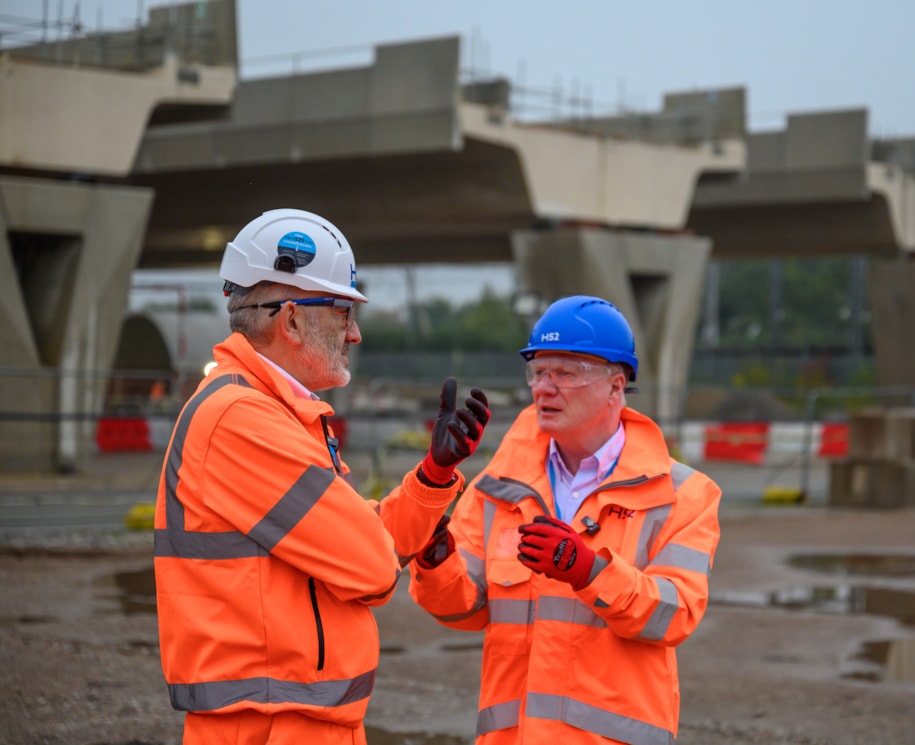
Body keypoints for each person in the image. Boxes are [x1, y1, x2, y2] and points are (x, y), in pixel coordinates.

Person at [153, 208, 491, 745]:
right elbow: (374, 567)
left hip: (290, 717)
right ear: (290, 320)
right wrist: (378, 548)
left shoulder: (276, 413)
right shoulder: (242, 419)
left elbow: (362, 538)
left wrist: (434, 475)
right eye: (342, 313)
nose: (354, 334)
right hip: (270, 724)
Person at [409, 294, 722, 744]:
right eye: (538, 371)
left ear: (617, 386)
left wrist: (590, 572)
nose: (544, 387)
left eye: (566, 373)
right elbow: (463, 609)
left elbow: (675, 616)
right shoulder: (498, 485)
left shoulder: (683, 496)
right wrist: (434, 558)